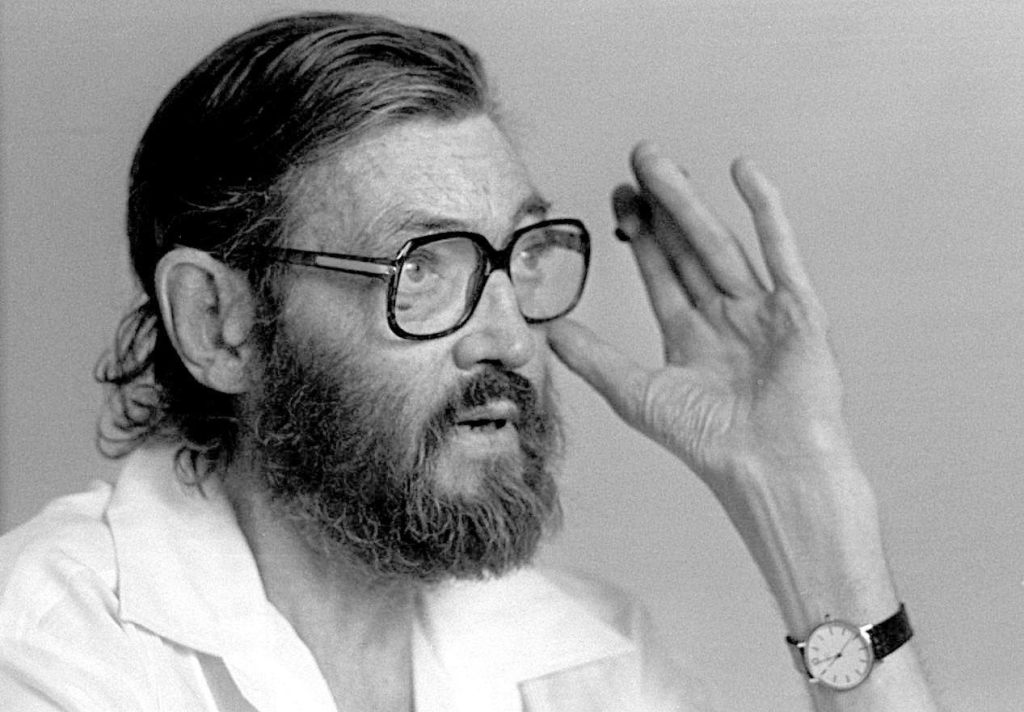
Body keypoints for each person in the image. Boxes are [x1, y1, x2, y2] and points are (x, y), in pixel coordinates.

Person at [0, 11, 939, 712]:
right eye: (421, 268)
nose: (511, 339)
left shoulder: (594, 665)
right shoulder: (44, 650)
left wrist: (804, 493)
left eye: (519, 256)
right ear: (218, 325)